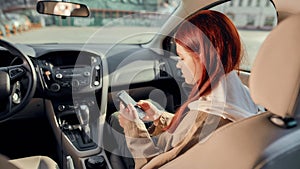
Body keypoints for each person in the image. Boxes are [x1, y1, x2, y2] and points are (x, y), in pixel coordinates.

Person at [105, 10, 261, 169]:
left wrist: (133, 127)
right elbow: (188, 134)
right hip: (169, 146)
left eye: (182, 58)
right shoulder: (242, 93)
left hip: (152, 156)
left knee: (116, 119)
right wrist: (160, 117)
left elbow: (155, 165)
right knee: (151, 107)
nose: (179, 65)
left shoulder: (208, 120)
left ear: (203, 57)